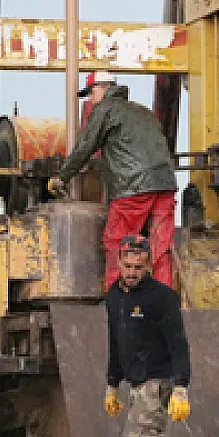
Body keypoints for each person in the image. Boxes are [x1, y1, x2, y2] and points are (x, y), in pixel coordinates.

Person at [48, 72, 178, 289]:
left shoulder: (105, 109)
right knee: (160, 245)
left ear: (103, 88)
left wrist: (62, 177)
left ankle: (118, 300)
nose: (90, 99)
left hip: (133, 188)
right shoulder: (143, 111)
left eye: (91, 92)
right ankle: (163, 297)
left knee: (117, 242)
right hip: (164, 184)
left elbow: (85, 147)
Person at [103, 234, 191, 437]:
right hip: (135, 380)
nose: (132, 273)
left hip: (157, 380)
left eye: (138, 268)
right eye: (128, 266)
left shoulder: (162, 298)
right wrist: (112, 385)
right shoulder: (114, 296)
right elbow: (116, 342)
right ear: (118, 263)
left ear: (149, 266)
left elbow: (179, 343)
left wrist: (181, 387)